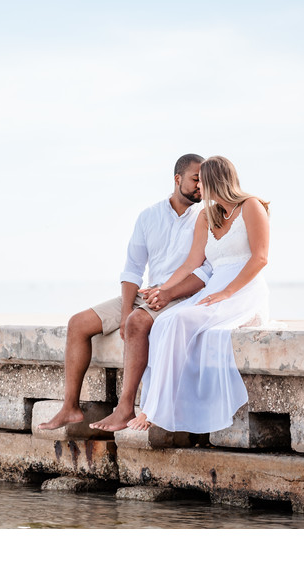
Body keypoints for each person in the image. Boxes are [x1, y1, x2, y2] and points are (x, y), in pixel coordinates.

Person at [37, 154, 212, 431]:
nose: (200, 187)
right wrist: (127, 308)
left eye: (204, 181)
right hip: (147, 293)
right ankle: (70, 407)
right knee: (78, 323)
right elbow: (132, 268)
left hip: (180, 295)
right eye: (195, 180)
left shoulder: (205, 218)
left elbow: (204, 271)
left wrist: (158, 298)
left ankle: (124, 408)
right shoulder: (149, 216)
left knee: (137, 322)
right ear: (177, 179)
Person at [129, 155, 270, 434]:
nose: (198, 188)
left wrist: (227, 293)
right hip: (216, 287)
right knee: (166, 322)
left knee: (182, 321)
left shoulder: (251, 206)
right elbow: (191, 263)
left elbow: (260, 258)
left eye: (201, 181)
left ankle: (153, 409)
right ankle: (156, 404)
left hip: (242, 288)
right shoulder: (208, 215)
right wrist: (164, 289)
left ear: (215, 181)